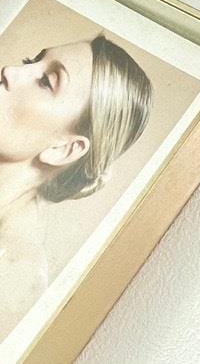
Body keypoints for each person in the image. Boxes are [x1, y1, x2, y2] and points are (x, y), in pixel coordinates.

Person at [0, 35, 152, 343]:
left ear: (63, 149)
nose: (10, 71)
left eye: (46, 81)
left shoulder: (14, 274)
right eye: (31, 62)